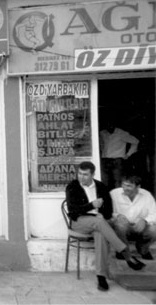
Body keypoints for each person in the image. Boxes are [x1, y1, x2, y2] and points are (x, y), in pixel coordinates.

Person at [65, 161, 145, 292]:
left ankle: (101, 276)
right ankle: (126, 254)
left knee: (100, 232)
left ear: (93, 174)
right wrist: (91, 206)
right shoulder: (72, 186)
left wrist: (102, 213)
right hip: (79, 222)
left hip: (99, 223)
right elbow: (72, 210)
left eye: (85, 174)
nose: (81, 177)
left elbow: (108, 210)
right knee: (100, 223)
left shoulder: (101, 187)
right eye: (79, 173)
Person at [110, 175, 156, 260]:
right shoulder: (114, 193)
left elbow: (154, 213)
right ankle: (123, 251)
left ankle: (143, 249)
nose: (125, 188)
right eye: (123, 185)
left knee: (154, 230)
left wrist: (145, 220)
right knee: (120, 225)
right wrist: (117, 215)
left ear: (138, 187)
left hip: (140, 228)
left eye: (129, 186)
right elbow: (107, 212)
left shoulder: (146, 195)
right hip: (123, 228)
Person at [100, 121, 139, 190]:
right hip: (105, 160)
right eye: (107, 124)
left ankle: (118, 199)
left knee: (117, 181)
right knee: (104, 181)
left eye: (111, 124)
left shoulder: (121, 133)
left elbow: (136, 141)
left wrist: (128, 154)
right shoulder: (102, 133)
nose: (109, 126)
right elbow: (101, 144)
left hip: (117, 161)